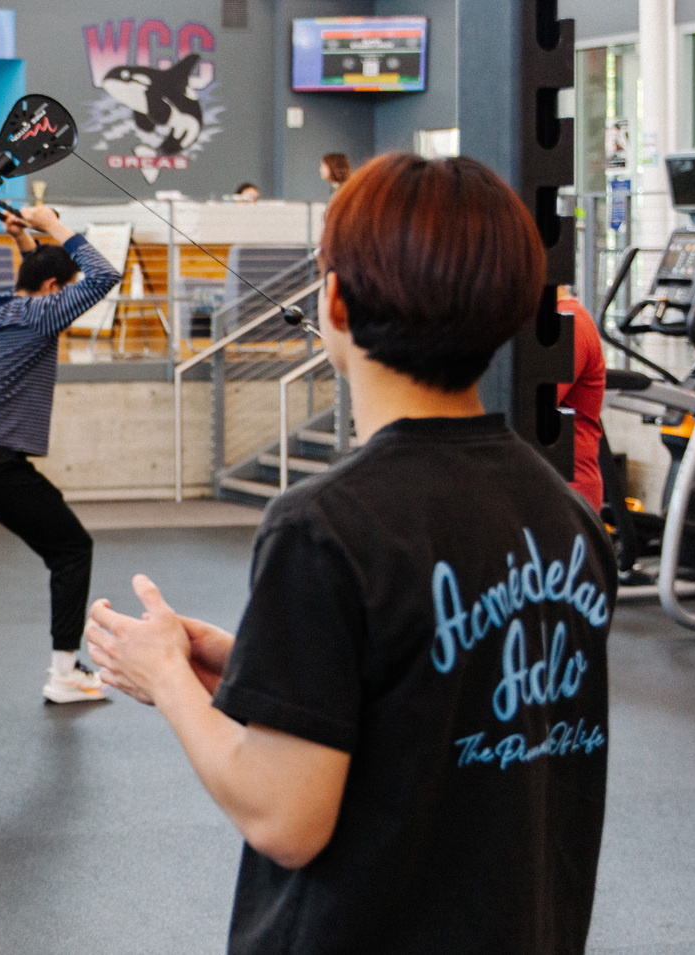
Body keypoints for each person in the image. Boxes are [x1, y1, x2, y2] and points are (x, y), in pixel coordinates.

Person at [85, 153, 614, 954]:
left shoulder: (323, 526)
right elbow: (441, 701)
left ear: (333, 301)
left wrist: (166, 678)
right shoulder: (565, 514)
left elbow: (284, 817)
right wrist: (260, 671)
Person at [0, 206, 121, 703]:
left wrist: (21, 241)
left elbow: (34, 282)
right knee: (72, 550)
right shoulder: (45, 313)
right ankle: (65, 674)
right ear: (55, 289)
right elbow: (105, 274)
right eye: (61, 289)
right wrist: (48, 223)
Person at [557, 285, 606, 511]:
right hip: (544, 483)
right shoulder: (535, 322)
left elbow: (526, 409)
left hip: (568, 491)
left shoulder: (570, 321)